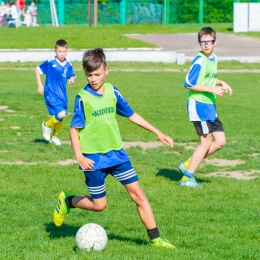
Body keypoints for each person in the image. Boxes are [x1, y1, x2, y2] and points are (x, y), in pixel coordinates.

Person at [53, 48, 176, 249]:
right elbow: (74, 130)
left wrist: (157, 132)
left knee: (138, 195)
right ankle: (68, 201)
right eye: (89, 75)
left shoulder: (113, 91)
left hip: (117, 155)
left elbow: (131, 114)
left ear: (106, 70)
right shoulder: (82, 98)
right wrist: (79, 156)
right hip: (93, 159)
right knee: (99, 205)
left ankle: (156, 239)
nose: (93, 79)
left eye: (97, 74)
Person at [177, 27, 232, 188]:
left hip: (209, 106)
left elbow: (207, 79)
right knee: (206, 142)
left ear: (215, 41)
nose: (206, 45)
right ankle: (187, 178)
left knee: (220, 141)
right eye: (203, 42)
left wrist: (221, 82)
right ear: (200, 43)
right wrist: (212, 89)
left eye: (209, 41)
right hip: (198, 104)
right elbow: (188, 83)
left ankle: (188, 164)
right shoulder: (199, 60)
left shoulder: (213, 58)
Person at [35, 39, 75, 146]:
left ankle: (54, 136)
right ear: (55, 51)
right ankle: (46, 125)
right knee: (61, 114)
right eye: (59, 52)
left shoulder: (68, 64)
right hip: (50, 93)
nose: (61, 54)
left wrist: (71, 79)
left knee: (61, 117)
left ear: (67, 51)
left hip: (62, 95)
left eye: (64, 52)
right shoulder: (50, 62)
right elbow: (37, 70)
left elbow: (71, 75)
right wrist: (40, 85)